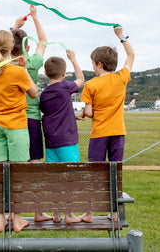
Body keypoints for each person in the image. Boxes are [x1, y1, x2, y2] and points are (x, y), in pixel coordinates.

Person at [0, 30, 37, 233]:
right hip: (17, 127)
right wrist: (25, 71)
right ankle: (17, 219)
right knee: (18, 175)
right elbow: (33, 93)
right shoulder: (17, 72)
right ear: (12, 48)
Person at [78, 25, 135, 223]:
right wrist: (121, 36)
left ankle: (89, 212)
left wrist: (84, 114)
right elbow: (131, 55)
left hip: (99, 134)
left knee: (94, 172)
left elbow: (88, 112)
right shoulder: (121, 78)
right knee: (115, 172)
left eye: (93, 64)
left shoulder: (91, 85)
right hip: (118, 132)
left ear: (99, 64)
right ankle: (114, 212)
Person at [10, 5, 52, 222]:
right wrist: (35, 18)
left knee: (13, 168)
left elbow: (2, 44)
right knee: (35, 166)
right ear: (27, 45)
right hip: (32, 119)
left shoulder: (4, 61)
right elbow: (43, 40)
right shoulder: (32, 63)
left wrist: (14, 27)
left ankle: (10, 213)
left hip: (11, 121)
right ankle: (37, 211)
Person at [39, 50, 84, 223]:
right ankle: (69, 214)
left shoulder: (44, 95)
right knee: (71, 178)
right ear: (64, 74)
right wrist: (74, 59)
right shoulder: (65, 87)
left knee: (55, 179)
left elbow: (53, 113)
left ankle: (57, 213)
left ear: (45, 73)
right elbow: (80, 80)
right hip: (67, 142)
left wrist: (72, 115)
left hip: (51, 144)